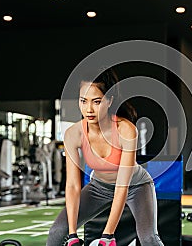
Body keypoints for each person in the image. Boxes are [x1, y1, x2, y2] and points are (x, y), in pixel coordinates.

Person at [46, 68, 164, 246]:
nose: (89, 109)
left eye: (96, 101)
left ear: (110, 101)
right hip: (98, 187)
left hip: (135, 186)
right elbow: (72, 185)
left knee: (149, 238)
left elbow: (122, 187)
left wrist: (108, 234)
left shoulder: (126, 130)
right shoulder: (73, 134)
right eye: (83, 101)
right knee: (57, 231)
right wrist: (72, 234)